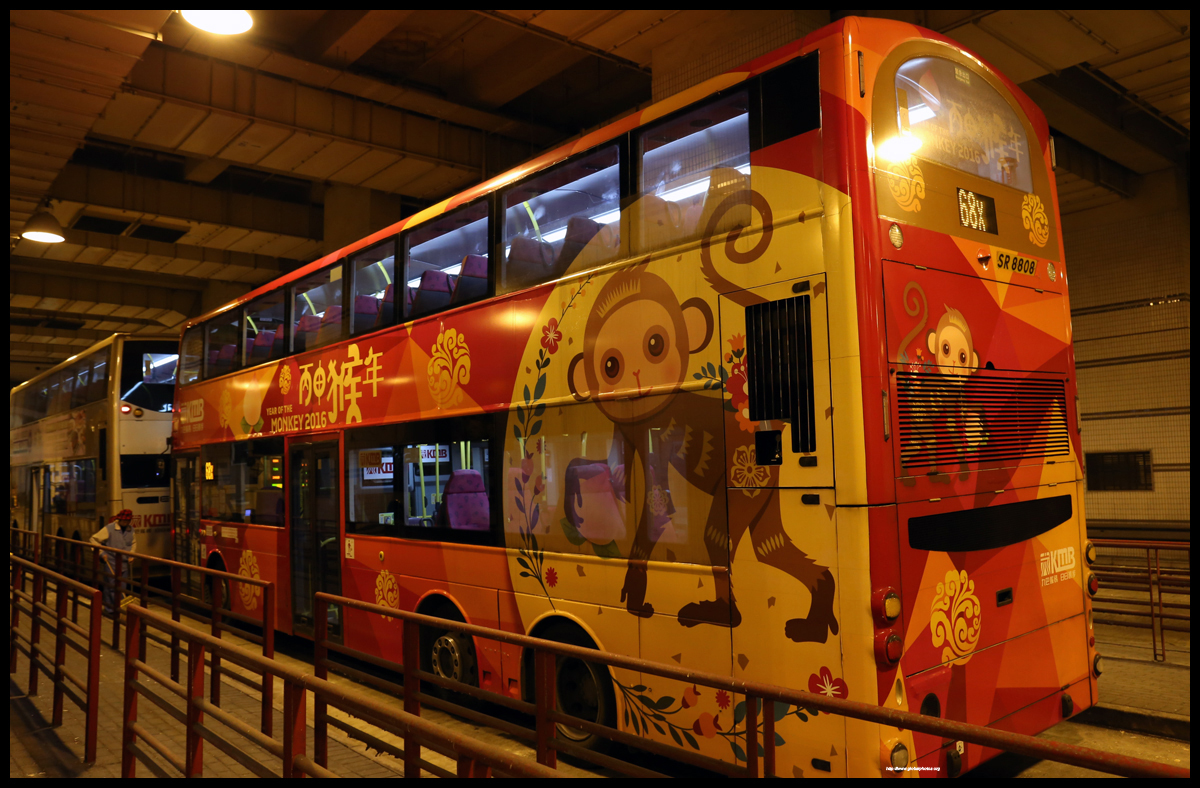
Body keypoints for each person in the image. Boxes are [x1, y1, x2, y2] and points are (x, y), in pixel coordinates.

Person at [91, 508, 137, 615]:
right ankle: (112, 609)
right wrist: (102, 553)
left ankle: (117, 608)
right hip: (111, 561)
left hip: (124, 562)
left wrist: (132, 554)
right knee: (111, 586)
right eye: (124, 520)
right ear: (119, 519)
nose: (126, 523)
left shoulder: (131, 529)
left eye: (128, 521)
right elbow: (93, 539)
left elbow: (133, 543)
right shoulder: (109, 528)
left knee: (122, 587)